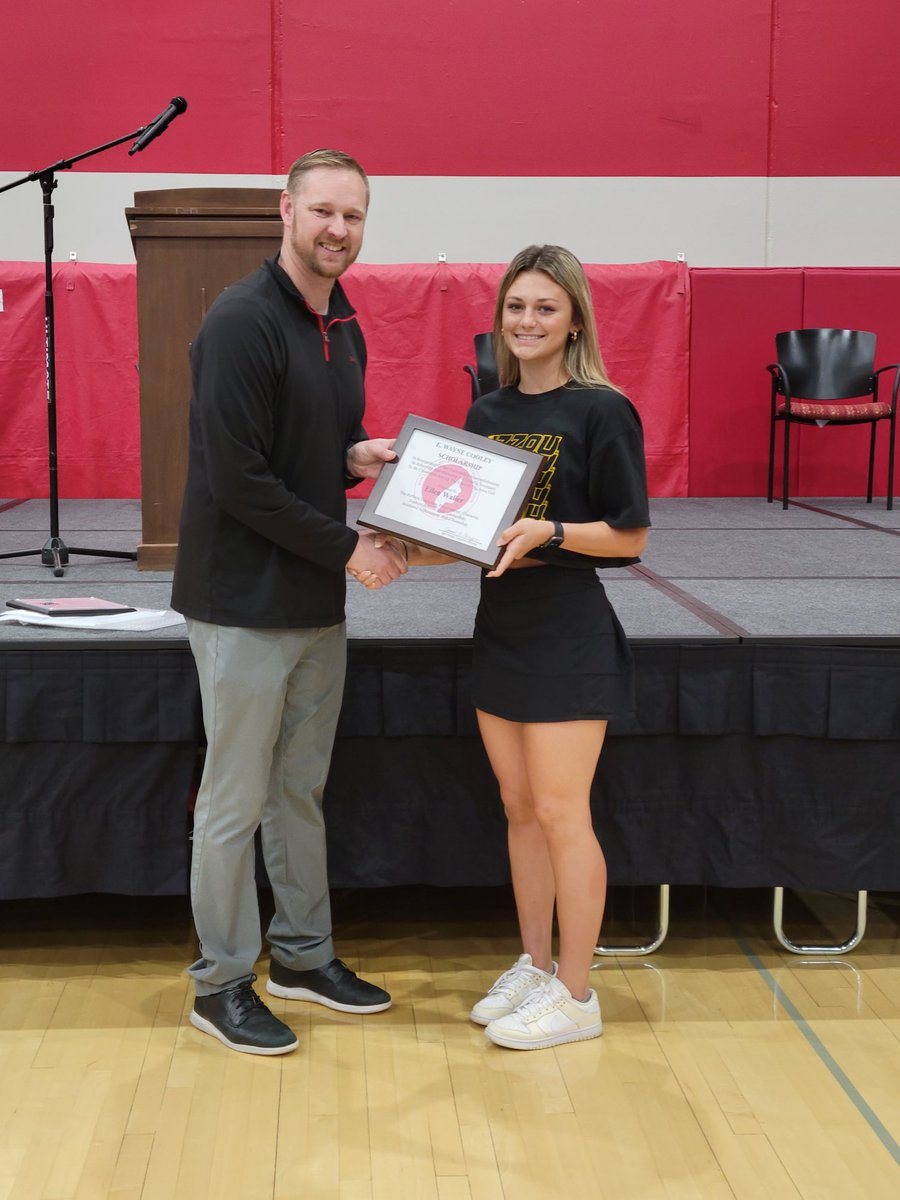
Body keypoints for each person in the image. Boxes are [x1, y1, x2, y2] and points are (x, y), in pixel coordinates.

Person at [372, 245, 650, 1049]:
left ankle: (578, 993)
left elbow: (629, 535)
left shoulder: (603, 409)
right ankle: (534, 964)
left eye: (545, 309)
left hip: (569, 634)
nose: (527, 322)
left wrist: (552, 530)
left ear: (573, 323)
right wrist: (399, 548)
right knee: (521, 811)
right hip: (502, 630)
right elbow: (469, 534)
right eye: (516, 307)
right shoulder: (488, 415)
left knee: (564, 812)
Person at [171, 148, 407, 1056]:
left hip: (313, 600)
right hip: (241, 602)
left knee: (297, 791)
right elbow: (240, 483)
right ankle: (220, 981)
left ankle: (303, 957)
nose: (337, 230)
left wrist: (358, 456)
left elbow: (314, 441)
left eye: (352, 215)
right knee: (232, 802)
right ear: (287, 210)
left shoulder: (340, 322)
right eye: (323, 212)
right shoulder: (240, 322)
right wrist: (354, 548)